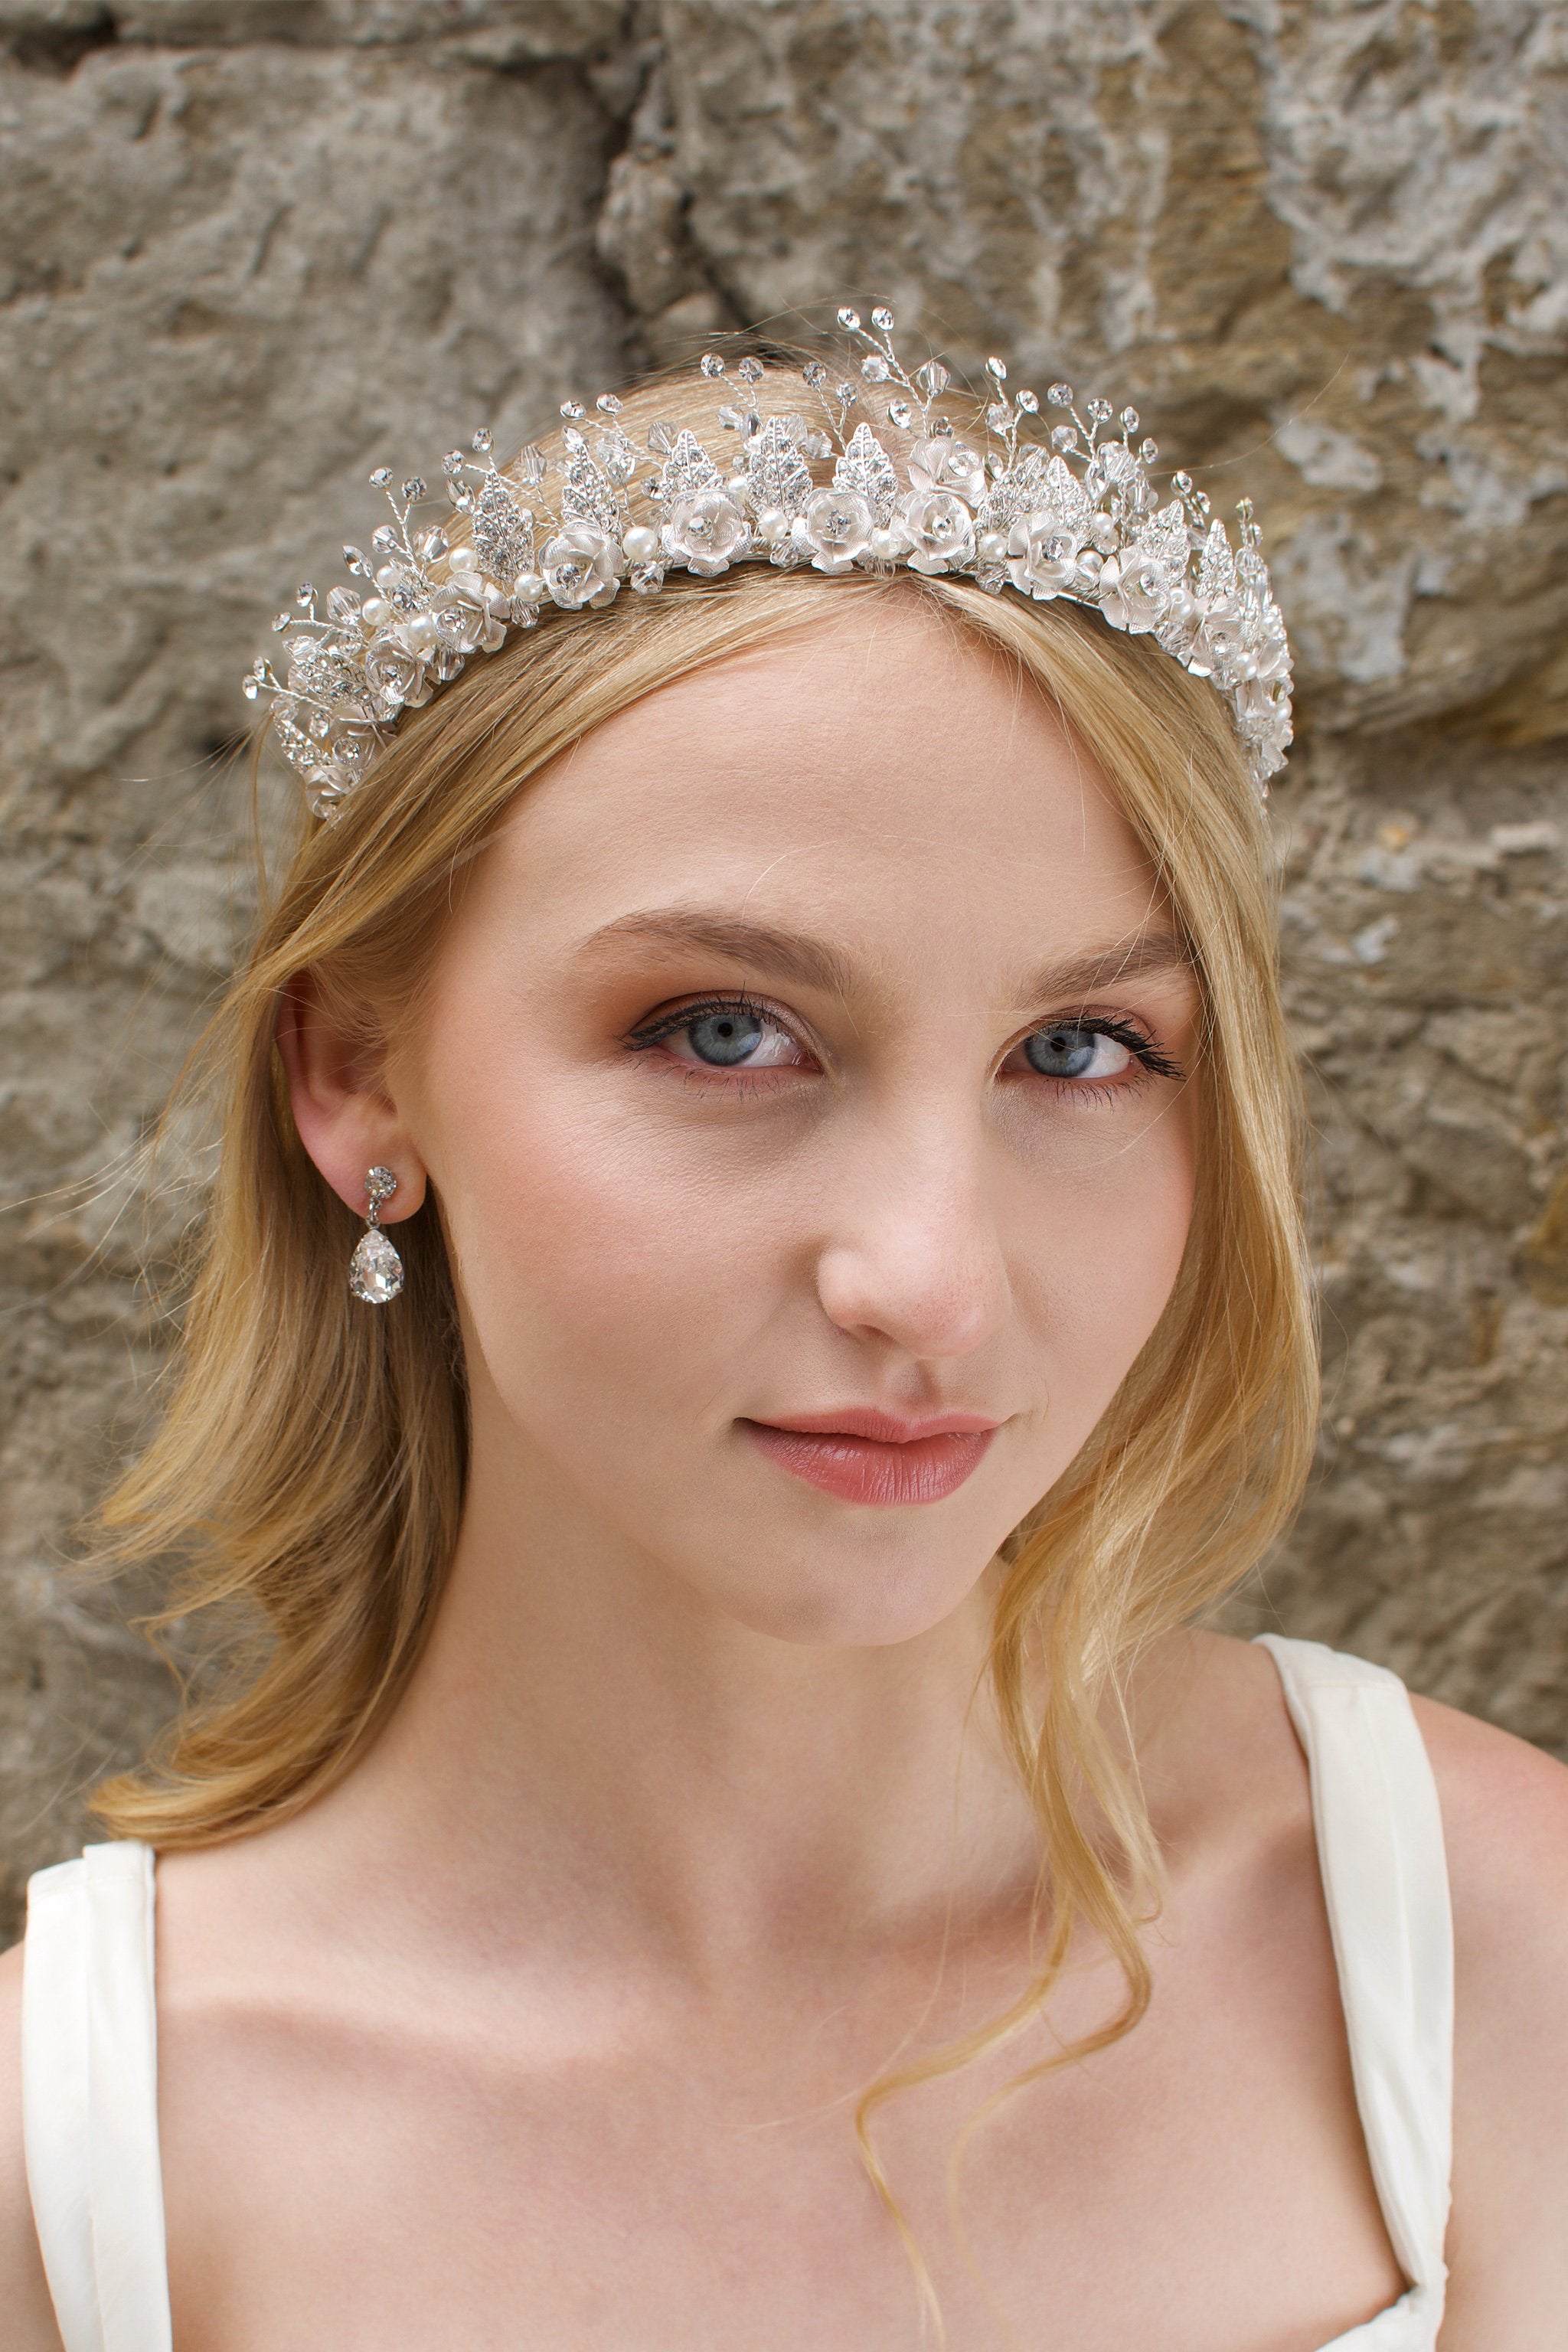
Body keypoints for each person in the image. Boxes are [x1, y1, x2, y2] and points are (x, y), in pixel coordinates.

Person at [2, 318, 1564, 2352]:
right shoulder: (81, 2170)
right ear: (362, 1078)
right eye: (725, 1032)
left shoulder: (1486, 1947)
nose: (932, 1281)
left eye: (1082, 1049)